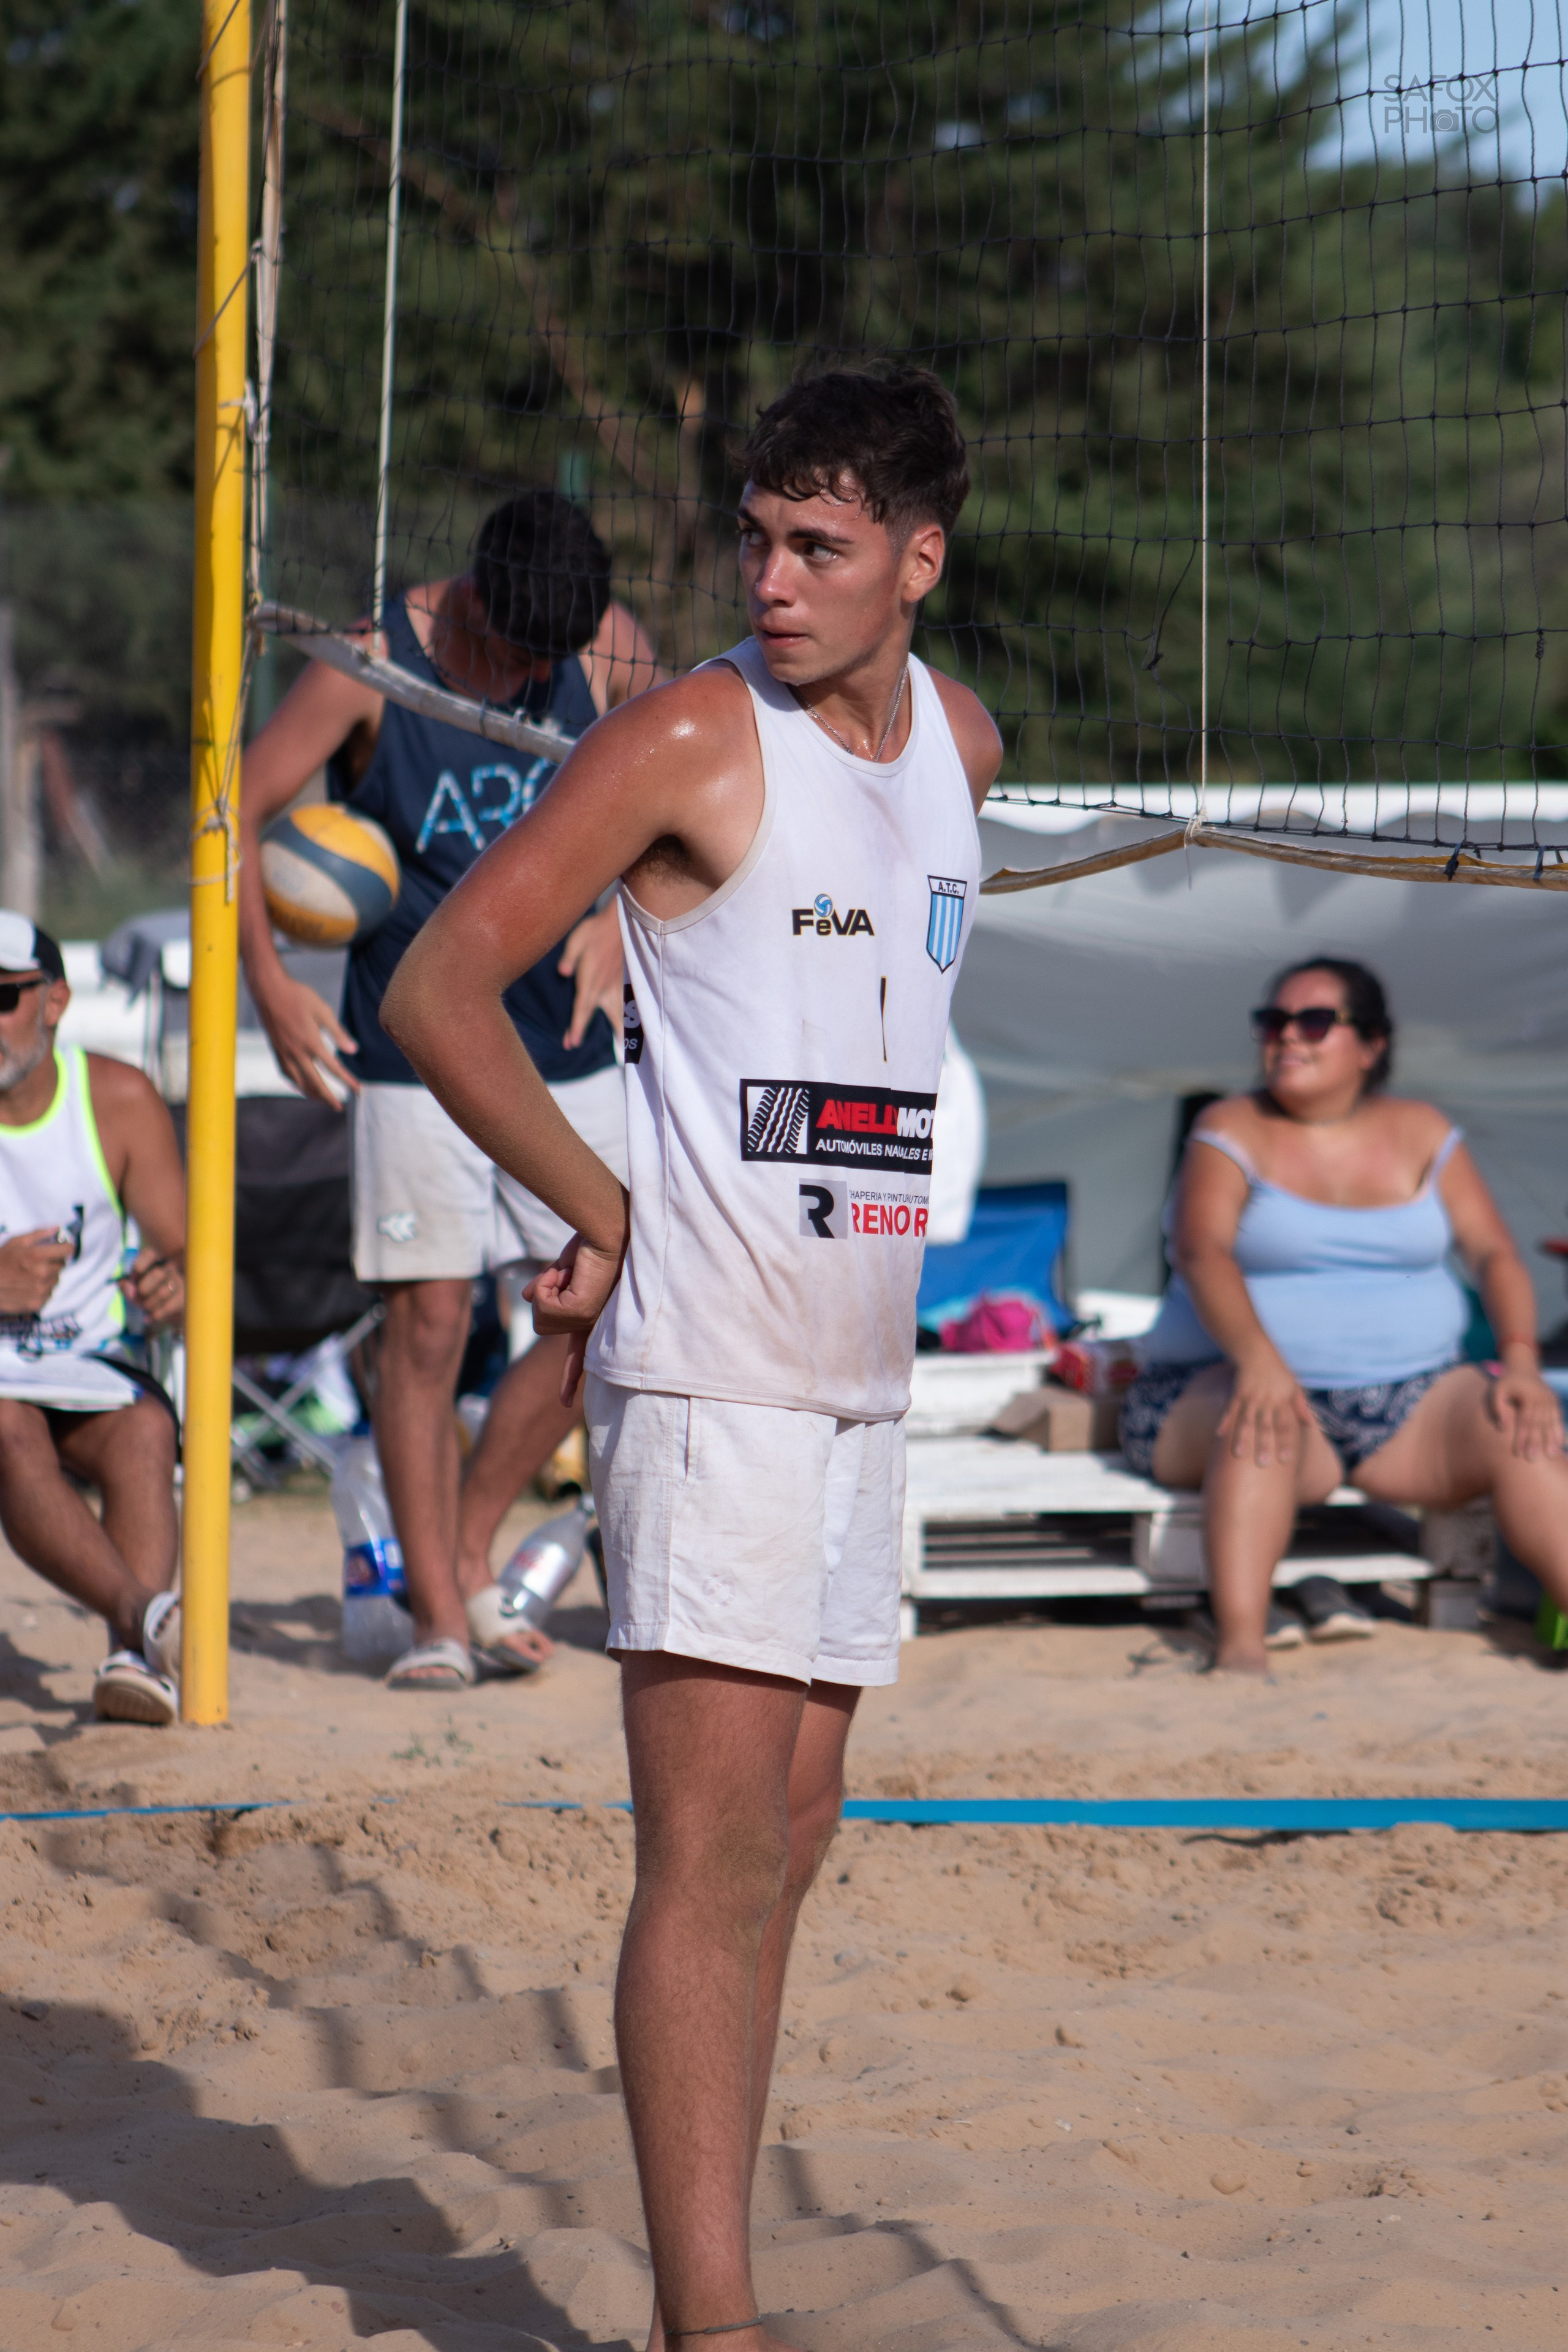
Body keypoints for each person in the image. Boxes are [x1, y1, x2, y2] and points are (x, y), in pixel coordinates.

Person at [381, 366, 1000, 2352]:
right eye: (753, 535)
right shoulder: (685, 735)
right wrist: (619, 1208)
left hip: (860, 1379)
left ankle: (706, 2268)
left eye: (820, 544)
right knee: (711, 1858)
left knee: (793, 1844)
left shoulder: (967, 747)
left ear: (921, 558)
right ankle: (708, 2325)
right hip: (712, 1371)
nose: (774, 575)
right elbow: (439, 986)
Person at [239, 490, 664, 1688]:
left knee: (619, 1291)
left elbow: (694, 788)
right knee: (427, 1327)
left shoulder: (610, 644)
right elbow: (232, 817)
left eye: (551, 659)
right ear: (471, 596)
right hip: (415, 1041)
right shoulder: (372, 664)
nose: (534, 673)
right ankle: (435, 1614)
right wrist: (268, 978)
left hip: (563, 1037)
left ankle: (469, 1542)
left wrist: (626, 912)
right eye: (516, 652)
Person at [1122, 956, 1568, 1673]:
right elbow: (1200, 1251)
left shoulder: (1422, 1128)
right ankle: (1240, 1652)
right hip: (1216, 1388)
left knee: (1519, 1419)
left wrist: (1520, 1361)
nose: (1286, 1037)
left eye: (1314, 1021)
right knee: (1262, 1417)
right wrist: (1260, 1361)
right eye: (1272, 1022)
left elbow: (1494, 1253)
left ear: (1370, 1045)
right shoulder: (1229, 1126)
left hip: (1409, 1402)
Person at [0, 913, 186, 1725]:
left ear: (55, 1001)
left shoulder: (115, 1097)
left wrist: (171, 1282)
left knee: (145, 1429)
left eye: (3, 997)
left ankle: (130, 1657)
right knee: (7, 1426)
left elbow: (186, 1252)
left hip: (85, 1364)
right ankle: (149, 1617)